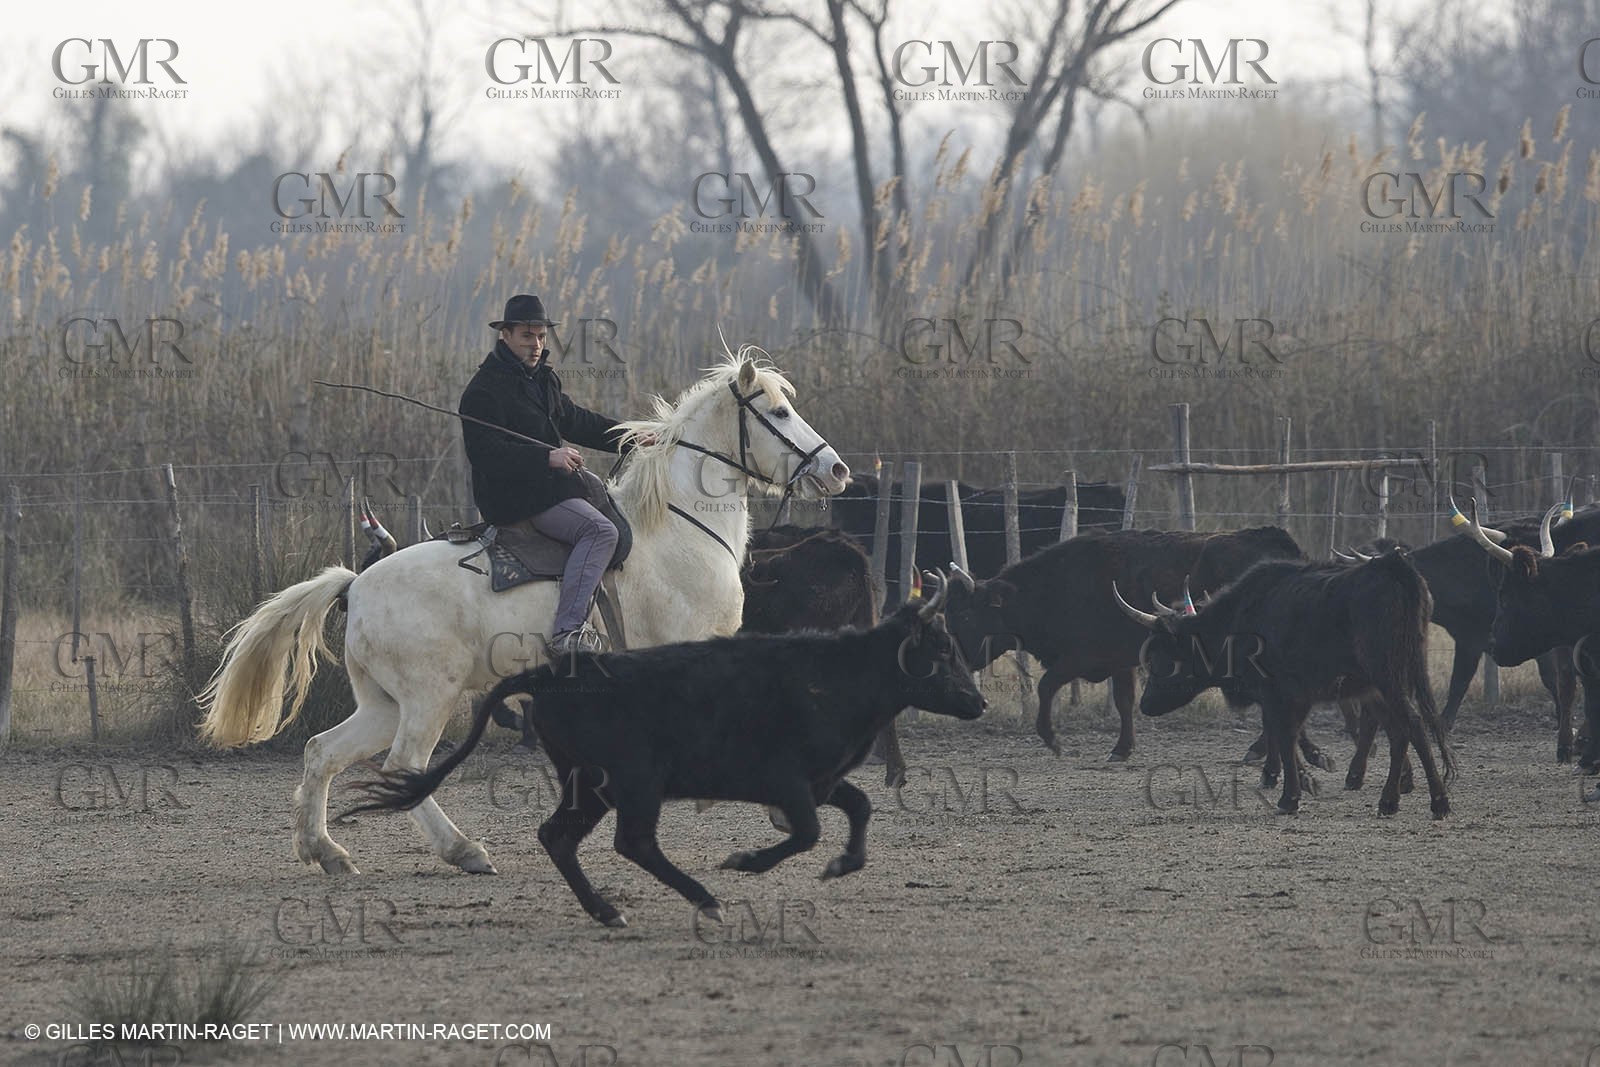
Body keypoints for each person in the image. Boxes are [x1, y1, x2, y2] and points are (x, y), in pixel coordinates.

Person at [459, 294, 648, 654]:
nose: (537, 344)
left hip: (549, 488)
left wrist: (630, 436)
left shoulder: (543, 379)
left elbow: (578, 421)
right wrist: (547, 458)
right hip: (514, 497)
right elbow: (486, 455)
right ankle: (568, 633)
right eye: (528, 336)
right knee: (600, 530)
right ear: (507, 335)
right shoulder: (483, 391)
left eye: (542, 336)